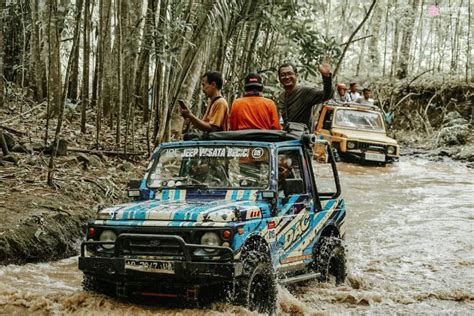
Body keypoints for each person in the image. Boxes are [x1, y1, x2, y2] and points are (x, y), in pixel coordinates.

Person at [278, 61, 333, 130]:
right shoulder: (282, 96)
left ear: (296, 75)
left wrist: (326, 77)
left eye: (290, 74)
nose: (286, 77)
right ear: (279, 78)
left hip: (303, 137)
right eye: (283, 75)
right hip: (288, 136)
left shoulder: (306, 92)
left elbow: (327, 95)